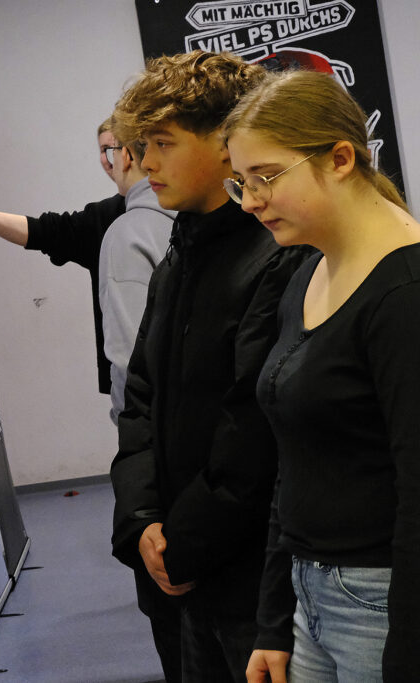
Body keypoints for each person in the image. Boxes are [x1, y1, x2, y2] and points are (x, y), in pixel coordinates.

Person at [109, 50, 313, 682]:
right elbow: (140, 396)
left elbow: (253, 427)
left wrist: (185, 543)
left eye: (162, 143)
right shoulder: (178, 257)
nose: (144, 163)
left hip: (254, 580)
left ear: (227, 146)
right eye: (141, 146)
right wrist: (141, 519)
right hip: (179, 570)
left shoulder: (278, 256)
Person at [223, 70, 419, 683]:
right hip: (310, 593)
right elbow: (295, 460)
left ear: (340, 159)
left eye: (265, 177)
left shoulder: (405, 293)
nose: (250, 201)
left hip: (383, 602)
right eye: (240, 182)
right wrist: (275, 619)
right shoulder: (307, 273)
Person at [0, 117, 127, 396]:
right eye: (103, 150)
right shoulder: (102, 219)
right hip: (127, 382)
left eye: (113, 149)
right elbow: (41, 232)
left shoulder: (172, 213)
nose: (108, 160)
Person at [98, 135, 175, 424]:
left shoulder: (128, 234)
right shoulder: (196, 217)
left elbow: (129, 360)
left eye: (110, 152)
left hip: (159, 428)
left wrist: (128, 426)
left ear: (127, 155)